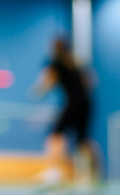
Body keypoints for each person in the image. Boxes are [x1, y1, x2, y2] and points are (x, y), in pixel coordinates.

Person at [31, 38, 97, 185]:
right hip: (87, 103)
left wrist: (37, 92)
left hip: (74, 103)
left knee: (55, 135)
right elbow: (92, 80)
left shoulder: (56, 62)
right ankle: (88, 176)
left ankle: (54, 172)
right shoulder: (75, 62)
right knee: (83, 140)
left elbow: (47, 82)